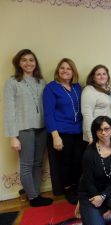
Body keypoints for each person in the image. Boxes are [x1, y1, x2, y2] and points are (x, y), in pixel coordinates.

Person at [3, 49, 53, 207]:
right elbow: (9, 111)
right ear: (18, 63)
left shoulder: (41, 81)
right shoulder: (12, 82)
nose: (28, 63)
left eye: (31, 60)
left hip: (42, 128)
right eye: (24, 60)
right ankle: (33, 198)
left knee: (38, 163)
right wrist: (12, 136)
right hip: (24, 129)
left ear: (35, 62)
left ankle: (35, 193)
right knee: (26, 164)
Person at [43, 58, 86, 203]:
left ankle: (77, 187)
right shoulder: (51, 88)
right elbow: (48, 113)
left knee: (78, 161)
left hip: (78, 131)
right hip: (61, 132)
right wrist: (55, 136)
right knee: (65, 163)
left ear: (73, 71)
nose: (65, 71)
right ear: (57, 71)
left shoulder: (77, 87)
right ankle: (68, 189)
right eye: (62, 68)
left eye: (68, 68)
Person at [78, 116, 111, 225]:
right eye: (99, 129)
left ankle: (103, 207)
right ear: (95, 132)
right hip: (90, 191)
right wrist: (97, 197)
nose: (103, 132)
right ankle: (86, 207)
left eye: (107, 128)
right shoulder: (89, 152)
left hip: (109, 187)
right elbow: (87, 180)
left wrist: (103, 196)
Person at [81, 65, 111, 144]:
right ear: (93, 77)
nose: (102, 76)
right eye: (98, 74)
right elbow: (87, 114)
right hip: (98, 134)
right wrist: (91, 137)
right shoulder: (89, 90)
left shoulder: (110, 91)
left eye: (104, 74)